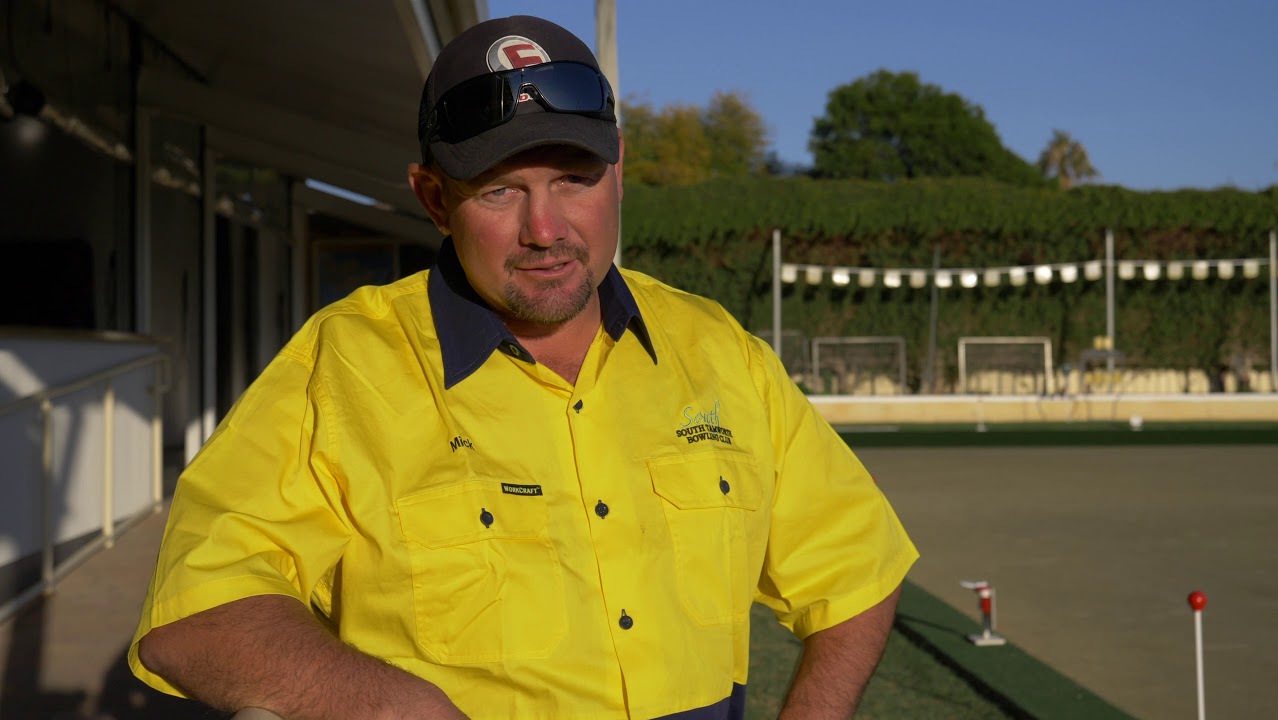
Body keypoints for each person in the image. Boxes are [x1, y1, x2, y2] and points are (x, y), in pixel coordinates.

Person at [130, 15, 917, 720]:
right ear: (434, 199)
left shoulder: (720, 352)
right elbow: (195, 615)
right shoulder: (344, 365)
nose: (545, 229)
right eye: (500, 190)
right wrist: (385, 704)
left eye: (574, 180)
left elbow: (856, 572)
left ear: (618, 169)